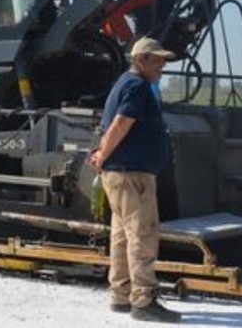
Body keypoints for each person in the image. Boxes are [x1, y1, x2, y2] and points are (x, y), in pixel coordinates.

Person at [87, 36, 180, 323]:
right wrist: (102, 154)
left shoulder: (124, 84)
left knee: (121, 237)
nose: (163, 65)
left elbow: (111, 124)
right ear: (141, 60)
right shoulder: (138, 86)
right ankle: (144, 300)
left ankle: (121, 294)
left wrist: (102, 154)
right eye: (158, 60)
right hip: (132, 174)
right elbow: (121, 123)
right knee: (142, 235)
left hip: (120, 173)